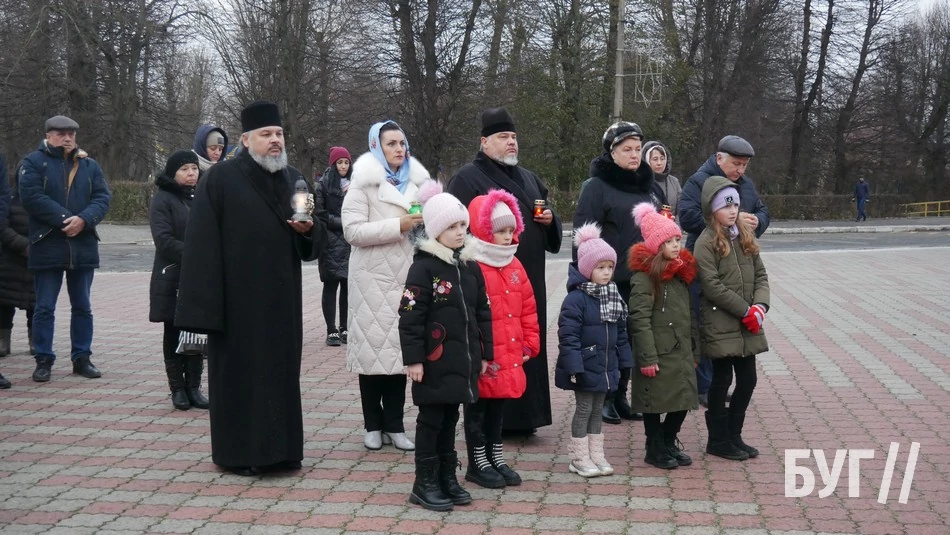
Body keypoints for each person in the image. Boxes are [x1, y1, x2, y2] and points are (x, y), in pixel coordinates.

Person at [174, 100, 327, 476]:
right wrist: (203, 310)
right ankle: (238, 454)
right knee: (240, 378)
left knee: (281, 376)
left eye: (279, 134)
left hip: (281, 299)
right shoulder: (221, 179)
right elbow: (201, 245)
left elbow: (313, 234)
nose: (275, 141)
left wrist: (310, 232)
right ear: (245, 140)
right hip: (237, 301)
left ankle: (285, 451)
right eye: (266, 135)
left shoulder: (293, 176)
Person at [447, 107, 562, 434]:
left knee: (526, 341)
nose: (511, 142)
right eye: (503, 137)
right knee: (496, 344)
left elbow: (550, 230)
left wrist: (550, 220)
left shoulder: (529, 178)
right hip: (489, 284)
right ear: (484, 142)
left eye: (513, 137)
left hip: (528, 281)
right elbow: (454, 229)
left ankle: (529, 417)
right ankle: (495, 423)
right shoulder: (467, 178)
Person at [399, 183, 493, 511]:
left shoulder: (470, 267)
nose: (459, 232)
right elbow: (410, 316)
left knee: (451, 417)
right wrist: (414, 359)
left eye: (463, 225)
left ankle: (446, 476)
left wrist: (485, 354)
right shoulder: (423, 268)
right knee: (431, 420)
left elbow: (483, 312)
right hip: (434, 360)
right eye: (451, 227)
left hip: (462, 361)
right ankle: (424, 482)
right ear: (436, 230)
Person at [342, 120, 432, 451]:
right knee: (372, 355)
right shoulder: (361, 185)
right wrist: (398, 224)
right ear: (376, 147)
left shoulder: (418, 184)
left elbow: (424, 230)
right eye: (391, 143)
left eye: (402, 143)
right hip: (371, 281)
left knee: (398, 355)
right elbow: (352, 232)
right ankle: (372, 424)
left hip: (406, 278)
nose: (399, 149)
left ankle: (395, 424)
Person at [574, 121, 665, 424]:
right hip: (607, 279)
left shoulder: (647, 186)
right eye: (627, 149)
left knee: (631, 339)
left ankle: (622, 394)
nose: (634, 155)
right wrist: (587, 277)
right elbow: (584, 235)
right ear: (611, 152)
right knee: (606, 340)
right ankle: (605, 398)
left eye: (638, 149)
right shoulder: (596, 187)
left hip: (641, 278)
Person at [677, 135, 769, 408]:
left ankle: (721, 382)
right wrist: (728, 217)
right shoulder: (699, 181)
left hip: (740, 259)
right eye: (736, 164)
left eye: (744, 165)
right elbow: (689, 217)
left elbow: (763, 211)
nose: (740, 170)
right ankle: (704, 385)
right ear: (719, 158)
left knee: (733, 323)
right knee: (708, 325)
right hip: (707, 259)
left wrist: (755, 222)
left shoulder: (746, 185)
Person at [18, 115, 111, 383]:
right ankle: (43, 359)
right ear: (48, 135)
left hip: (83, 244)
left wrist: (83, 220)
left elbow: (103, 197)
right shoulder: (33, 163)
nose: (68, 138)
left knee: (82, 306)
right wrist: (65, 220)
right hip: (47, 243)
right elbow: (31, 197)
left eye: (71, 133)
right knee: (44, 307)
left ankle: (82, 357)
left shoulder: (89, 165)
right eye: (61, 133)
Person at [463, 189, 540, 488]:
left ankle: (495, 456)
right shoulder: (473, 265)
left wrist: (528, 344)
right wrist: (478, 351)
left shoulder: (515, 265)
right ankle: (477, 461)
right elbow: (468, 315)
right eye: (500, 231)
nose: (508, 237)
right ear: (484, 229)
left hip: (508, 353)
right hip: (484, 356)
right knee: (478, 410)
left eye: (511, 230)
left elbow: (528, 309)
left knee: (498, 410)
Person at [694, 176, 770, 461]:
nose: (732, 211)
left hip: (748, 322)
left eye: (735, 205)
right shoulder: (706, 242)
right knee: (722, 379)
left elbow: (761, 274)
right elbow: (712, 286)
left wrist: (760, 307)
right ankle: (717, 439)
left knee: (748, 380)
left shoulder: (744, 237)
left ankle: (734, 434)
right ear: (712, 209)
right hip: (722, 322)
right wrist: (744, 310)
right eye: (726, 206)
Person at [555, 223, 633, 478]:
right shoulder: (576, 299)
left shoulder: (613, 296)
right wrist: (574, 366)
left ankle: (596, 453)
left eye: (610, 267)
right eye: (600, 268)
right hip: (585, 365)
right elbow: (568, 337)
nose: (607, 272)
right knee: (584, 409)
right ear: (588, 269)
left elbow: (621, 333)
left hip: (606, 365)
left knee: (598, 409)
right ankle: (578, 456)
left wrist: (625, 360)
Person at [627, 203, 699, 470]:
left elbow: (689, 315)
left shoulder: (681, 274)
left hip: (680, 350)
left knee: (683, 400)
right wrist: (646, 356)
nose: (675, 245)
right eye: (668, 241)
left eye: (677, 239)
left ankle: (668, 440)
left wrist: (694, 350)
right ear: (656, 246)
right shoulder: (645, 277)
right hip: (657, 351)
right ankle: (654, 446)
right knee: (654, 401)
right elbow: (639, 318)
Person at [148, 150, 209, 411]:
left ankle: (194, 386)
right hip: (172, 275)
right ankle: (177, 388)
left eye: (194, 168)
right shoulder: (163, 199)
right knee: (173, 330)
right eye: (185, 169)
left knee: (197, 330)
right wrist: (196, 254)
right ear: (173, 172)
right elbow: (163, 240)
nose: (191, 173)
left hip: (200, 277)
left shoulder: (204, 198)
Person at [315, 146, 352, 346]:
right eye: (340, 162)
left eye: (346, 162)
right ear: (333, 164)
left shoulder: (355, 184)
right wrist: (344, 223)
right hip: (330, 242)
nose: (344, 166)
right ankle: (331, 329)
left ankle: (345, 327)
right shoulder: (323, 185)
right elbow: (320, 214)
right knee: (331, 285)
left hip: (350, 241)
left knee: (348, 286)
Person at [0, 163, 31, 389]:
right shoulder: (10, 201)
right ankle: (4, 340)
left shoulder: (41, 203)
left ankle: (36, 340)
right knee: (4, 303)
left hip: (35, 260)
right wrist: (21, 245)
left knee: (36, 302)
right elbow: (3, 226)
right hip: (10, 258)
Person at [642, 141, 682, 215]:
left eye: (662, 159)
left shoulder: (674, 182)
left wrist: (674, 225)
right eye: (655, 159)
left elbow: (681, 209)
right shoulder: (641, 182)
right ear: (647, 161)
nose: (659, 163)